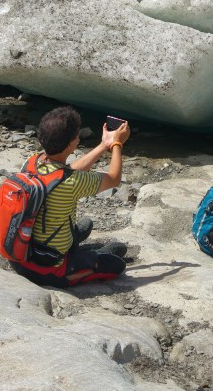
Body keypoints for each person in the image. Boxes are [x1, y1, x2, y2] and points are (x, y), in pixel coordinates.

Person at [11, 105, 130, 288]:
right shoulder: (72, 182)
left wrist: (103, 145)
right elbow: (114, 179)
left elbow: (67, 172)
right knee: (116, 262)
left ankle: (77, 249)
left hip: (22, 254)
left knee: (85, 224)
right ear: (71, 144)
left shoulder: (33, 161)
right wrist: (116, 144)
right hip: (49, 269)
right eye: (76, 135)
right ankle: (85, 257)